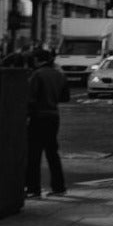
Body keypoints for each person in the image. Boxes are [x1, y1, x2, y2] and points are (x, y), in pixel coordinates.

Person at [24, 48, 70, 198]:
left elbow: (30, 98)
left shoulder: (37, 75)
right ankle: (59, 187)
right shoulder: (59, 74)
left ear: (37, 59)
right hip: (53, 117)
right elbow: (65, 97)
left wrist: (26, 115)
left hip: (38, 117)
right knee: (52, 153)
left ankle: (33, 189)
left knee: (33, 154)